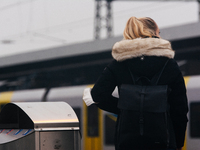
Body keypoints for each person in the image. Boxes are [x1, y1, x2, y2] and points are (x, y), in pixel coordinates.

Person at [83, 16, 188, 150]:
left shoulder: (119, 63)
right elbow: (180, 109)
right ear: (152, 34)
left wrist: (127, 108)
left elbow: (97, 96)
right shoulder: (169, 64)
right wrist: (178, 143)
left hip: (128, 142)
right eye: (158, 32)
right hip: (163, 142)